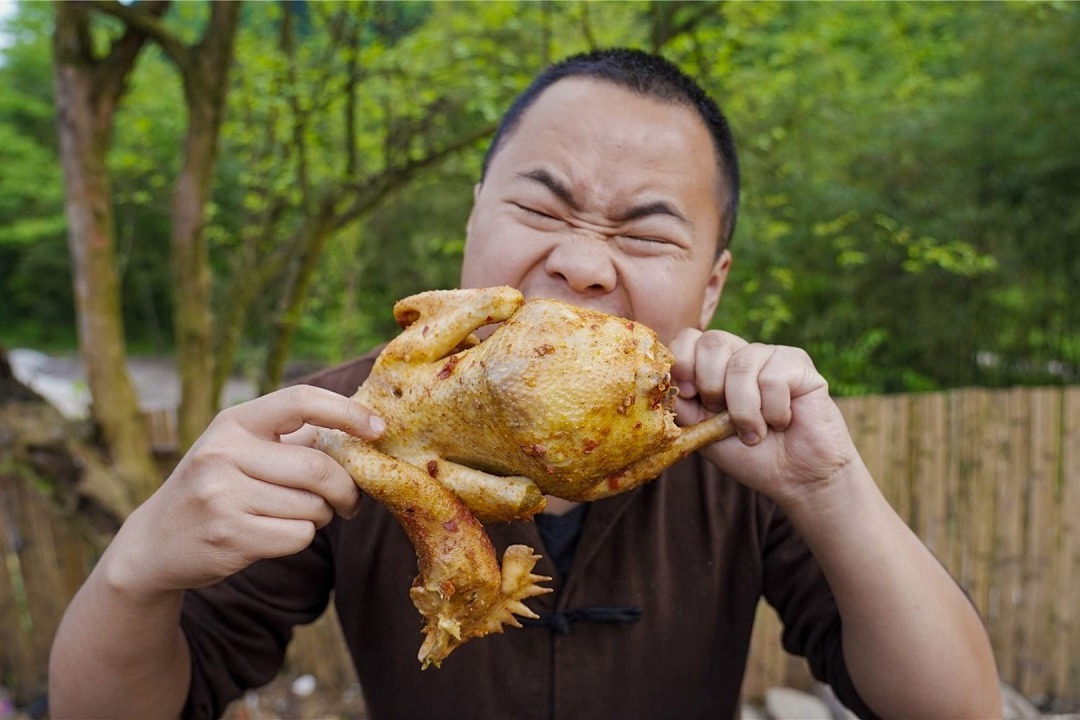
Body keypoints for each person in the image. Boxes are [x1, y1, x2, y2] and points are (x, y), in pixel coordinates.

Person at [48, 48, 1000, 719]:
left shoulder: (741, 437)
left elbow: (955, 711)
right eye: (541, 207)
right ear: (473, 221)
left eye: (645, 233)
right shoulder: (338, 427)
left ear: (711, 285)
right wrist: (138, 570)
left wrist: (830, 489)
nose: (583, 264)